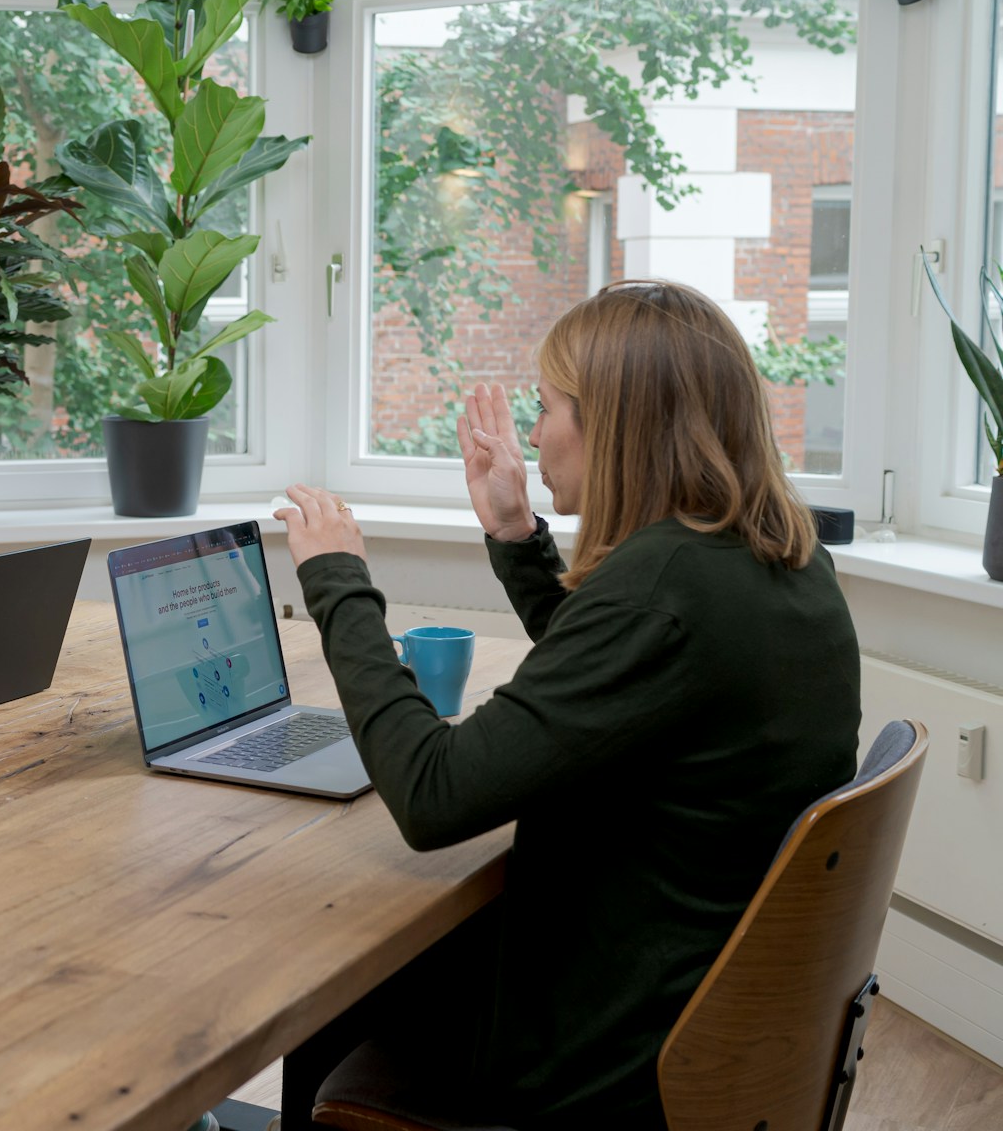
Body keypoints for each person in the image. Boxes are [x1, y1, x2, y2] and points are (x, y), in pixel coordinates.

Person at [271, 280, 861, 1128]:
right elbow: (619, 693)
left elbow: (433, 796)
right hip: (700, 1012)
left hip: (598, 1054)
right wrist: (516, 535)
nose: (536, 434)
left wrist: (336, 581)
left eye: (548, 408)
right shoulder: (773, 563)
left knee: (340, 951)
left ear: (615, 424)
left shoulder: (659, 590)